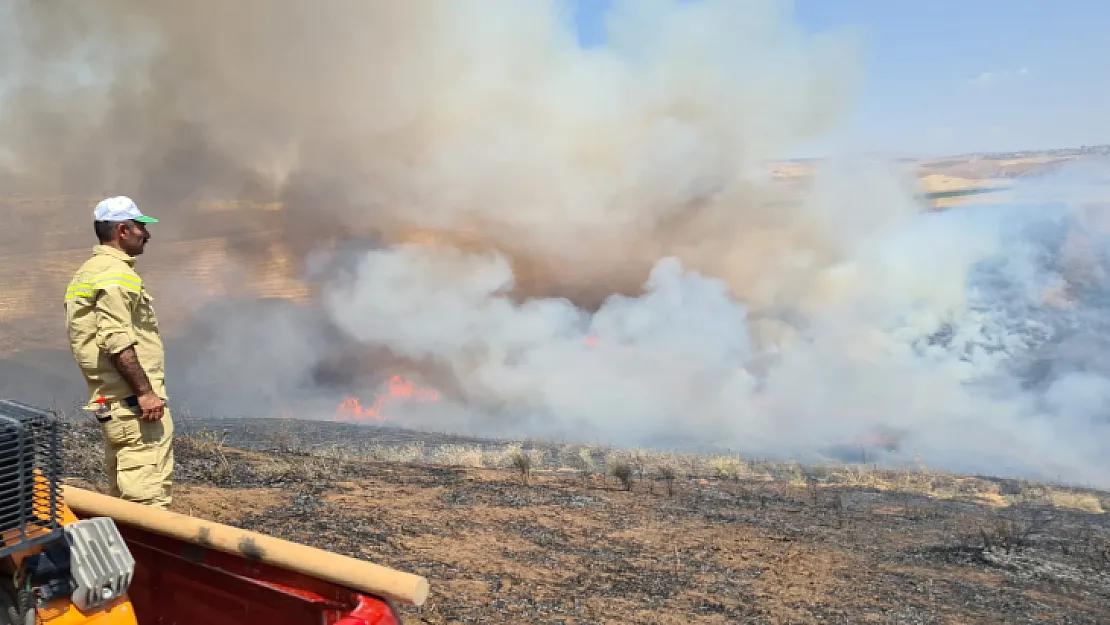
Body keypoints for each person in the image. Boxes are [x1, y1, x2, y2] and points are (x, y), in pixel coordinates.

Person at [63, 196, 173, 509]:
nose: (147, 235)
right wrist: (146, 393)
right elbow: (115, 339)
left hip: (109, 402)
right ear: (123, 230)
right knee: (147, 506)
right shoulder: (116, 275)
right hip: (133, 407)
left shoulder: (87, 272)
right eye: (141, 228)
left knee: (125, 499)